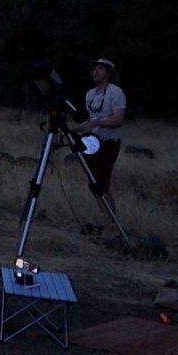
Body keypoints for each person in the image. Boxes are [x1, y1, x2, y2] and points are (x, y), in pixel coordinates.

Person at [75, 57, 126, 228]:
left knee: (101, 182)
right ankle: (105, 220)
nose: (96, 72)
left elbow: (118, 120)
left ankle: (112, 225)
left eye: (100, 69)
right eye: (94, 69)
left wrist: (97, 123)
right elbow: (91, 119)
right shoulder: (90, 94)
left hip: (109, 141)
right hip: (91, 143)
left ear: (109, 73)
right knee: (93, 184)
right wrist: (76, 129)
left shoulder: (116, 92)